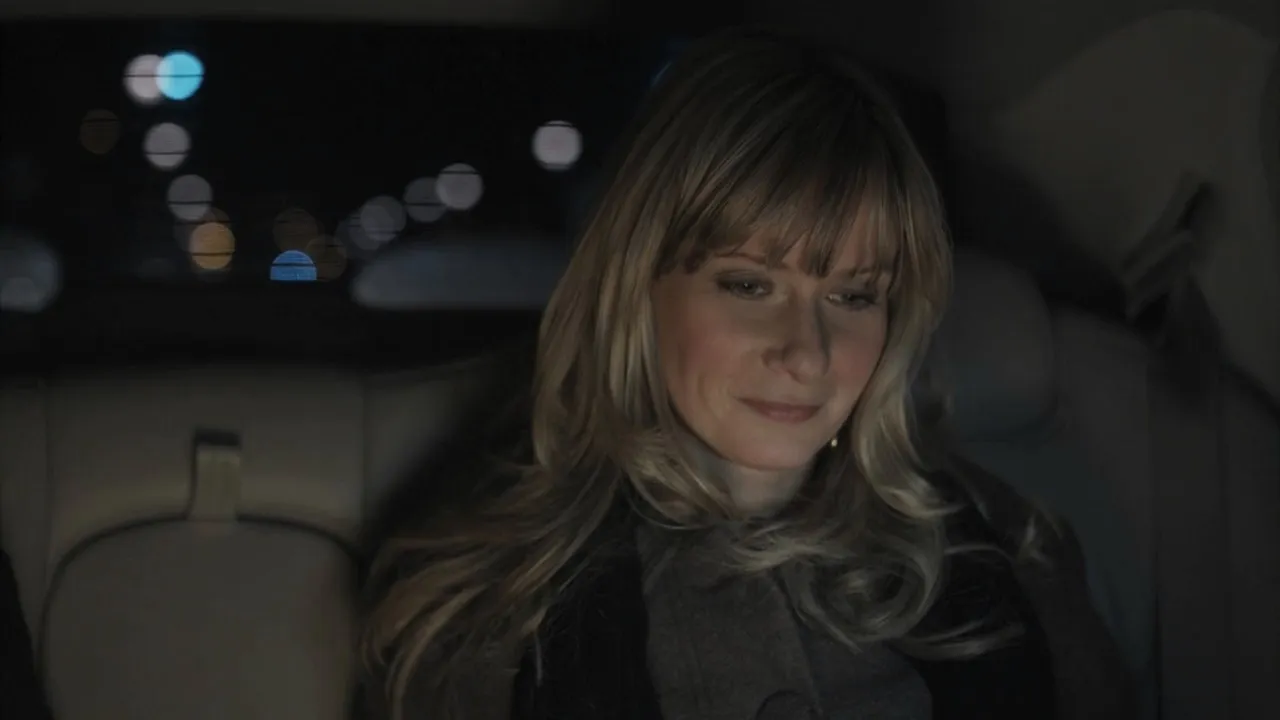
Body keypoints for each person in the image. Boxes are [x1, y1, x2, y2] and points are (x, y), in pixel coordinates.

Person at [360, 28, 1135, 720]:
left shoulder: (1005, 548)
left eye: (853, 296)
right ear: (639, 287)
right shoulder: (487, 606)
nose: (808, 353)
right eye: (749, 286)